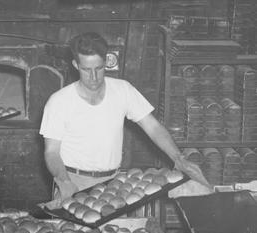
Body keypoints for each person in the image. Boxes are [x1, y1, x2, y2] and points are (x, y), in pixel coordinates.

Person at [40, 32, 209, 204]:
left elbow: (153, 127)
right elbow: (51, 152)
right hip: (72, 182)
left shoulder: (122, 90)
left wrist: (178, 158)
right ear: (76, 65)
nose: (93, 77)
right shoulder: (59, 101)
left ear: (106, 62)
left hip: (112, 183)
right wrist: (64, 181)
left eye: (98, 68)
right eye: (86, 70)